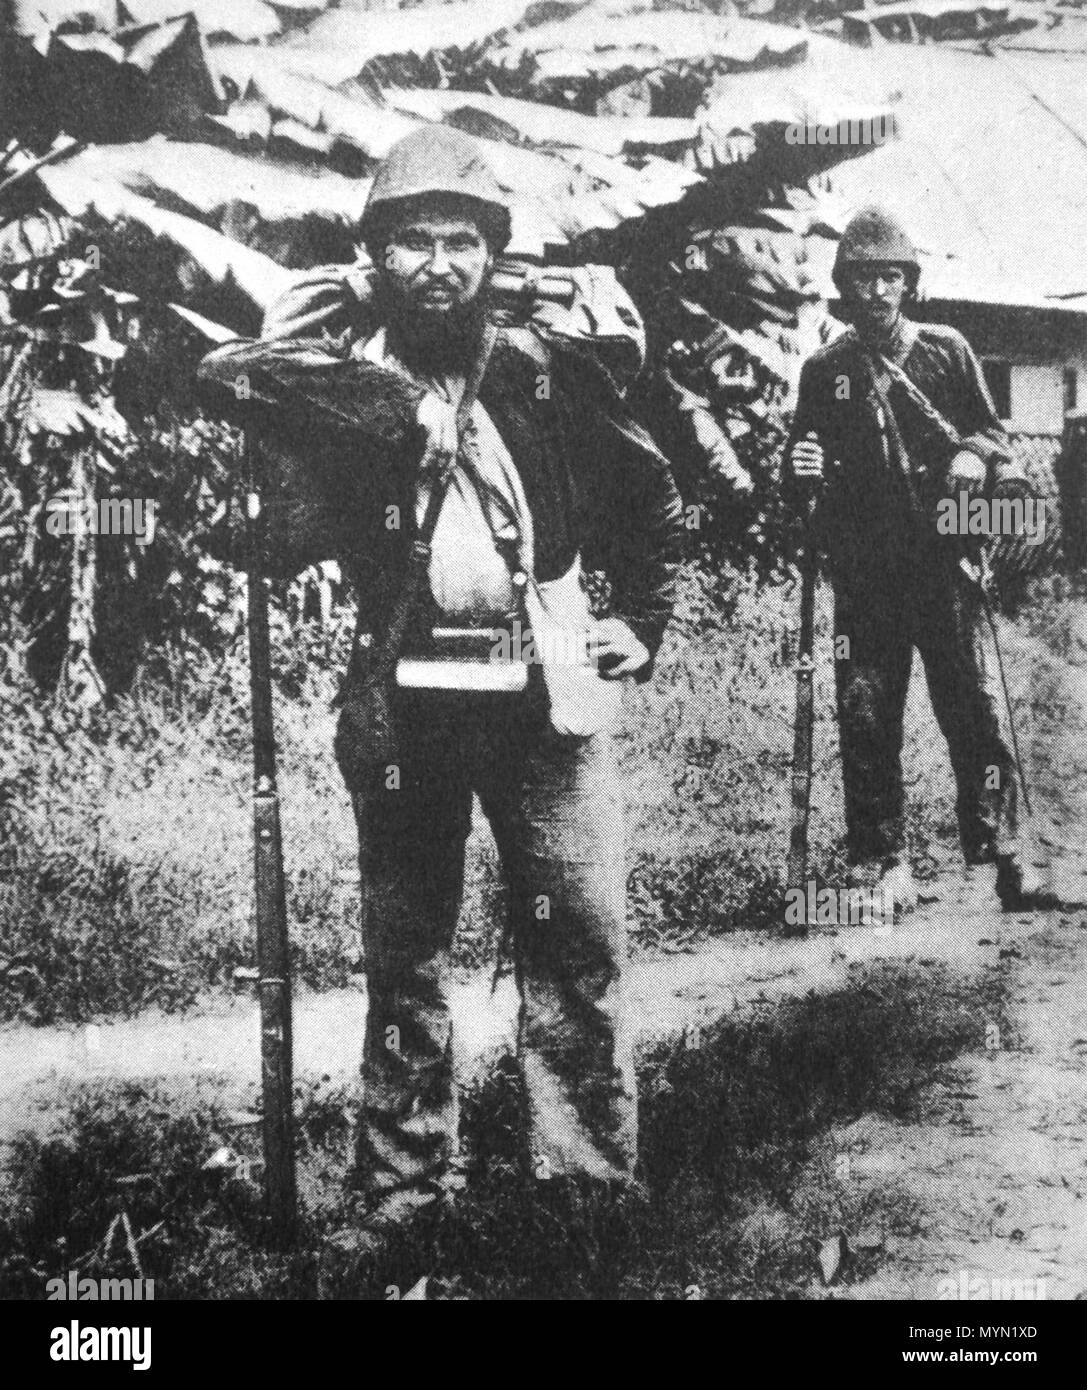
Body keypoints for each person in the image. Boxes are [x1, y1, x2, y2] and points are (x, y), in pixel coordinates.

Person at [202, 124, 685, 1267]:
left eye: (458, 241)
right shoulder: (344, 391)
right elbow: (268, 538)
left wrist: (639, 623)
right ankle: (400, 1196)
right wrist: (283, 391)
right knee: (403, 957)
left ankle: (585, 1187)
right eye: (410, 241)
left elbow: (649, 492)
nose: (436, 265)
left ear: (489, 254)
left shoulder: (543, 369)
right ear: (379, 259)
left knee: (577, 945)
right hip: (408, 709)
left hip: (545, 695)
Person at [785, 205, 1053, 914]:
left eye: (889, 277)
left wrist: (969, 453)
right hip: (865, 574)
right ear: (845, 287)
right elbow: (800, 472)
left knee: (974, 713)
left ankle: (1007, 859)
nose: (876, 291)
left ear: (907, 283)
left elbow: (993, 435)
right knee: (867, 716)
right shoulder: (825, 369)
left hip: (944, 567)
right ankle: (882, 866)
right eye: (863, 278)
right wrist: (801, 467)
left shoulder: (945, 349)